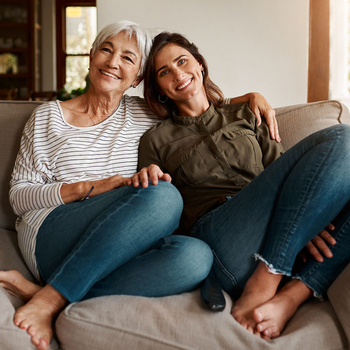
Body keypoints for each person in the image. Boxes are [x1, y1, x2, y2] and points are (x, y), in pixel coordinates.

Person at [0, 21, 279, 350]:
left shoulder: (147, 114)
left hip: (115, 246)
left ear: (138, 79)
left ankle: (53, 292)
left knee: (196, 257)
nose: (113, 62)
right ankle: (51, 298)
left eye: (128, 58)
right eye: (106, 50)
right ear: (90, 57)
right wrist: (90, 187)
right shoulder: (49, 116)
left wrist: (250, 98)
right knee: (163, 196)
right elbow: (19, 197)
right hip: (54, 233)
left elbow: (195, 101)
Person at [137, 31, 350, 340]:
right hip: (223, 240)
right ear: (160, 90)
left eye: (182, 61)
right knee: (342, 137)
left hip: (278, 228)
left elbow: (286, 175)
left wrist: (309, 219)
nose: (178, 74)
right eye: (164, 72)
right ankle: (267, 277)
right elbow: (154, 202)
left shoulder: (245, 114)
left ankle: (290, 297)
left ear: (200, 65)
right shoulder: (155, 140)